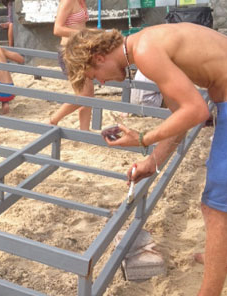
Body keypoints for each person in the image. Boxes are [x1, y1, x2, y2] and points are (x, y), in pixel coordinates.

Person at [63, 23, 227, 296]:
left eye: (95, 75)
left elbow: (197, 111)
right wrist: (153, 161)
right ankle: (218, 257)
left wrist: (143, 138)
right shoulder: (147, 42)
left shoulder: (146, 50)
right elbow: (180, 117)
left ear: (99, 58)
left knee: (216, 208)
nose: (101, 82)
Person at [49, 0, 93, 130]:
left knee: (89, 94)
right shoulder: (68, 1)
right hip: (69, 52)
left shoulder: (81, 2)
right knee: (84, 95)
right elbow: (57, 29)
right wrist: (84, 34)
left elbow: (79, 26)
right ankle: (53, 120)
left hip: (81, 51)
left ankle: (84, 131)